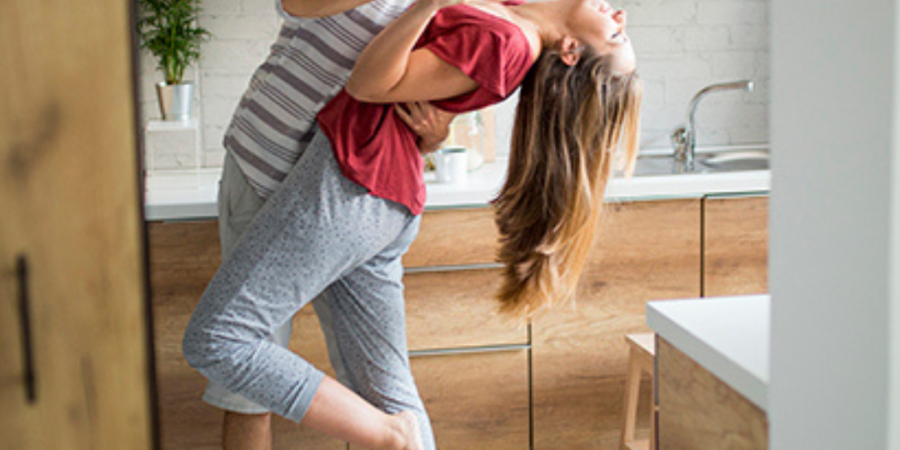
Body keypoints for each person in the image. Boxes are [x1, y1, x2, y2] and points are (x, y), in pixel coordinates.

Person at [183, 0, 640, 449]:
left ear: (571, 50)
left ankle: (388, 435)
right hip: (379, 194)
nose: (620, 16)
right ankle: (394, 429)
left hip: (353, 184)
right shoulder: (513, 14)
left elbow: (368, 84)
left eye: (617, 35)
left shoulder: (509, 42)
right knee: (387, 393)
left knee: (218, 339)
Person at [204, 0, 454, 449]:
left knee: (383, 386)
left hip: (346, 194)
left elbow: (431, 110)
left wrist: (435, 133)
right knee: (246, 376)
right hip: (266, 166)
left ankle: (393, 435)